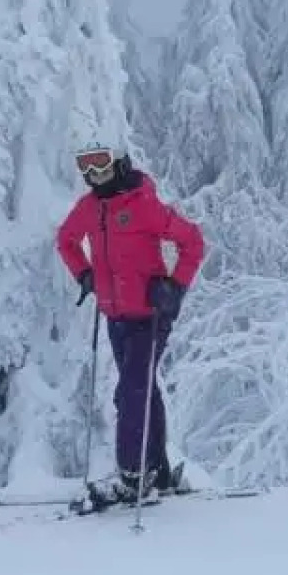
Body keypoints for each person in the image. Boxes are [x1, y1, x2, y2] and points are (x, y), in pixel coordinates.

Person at [55, 143, 204, 504]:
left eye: (100, 163)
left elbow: (193, 242)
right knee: (143, 389)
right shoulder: (89, 209)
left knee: (131, 392)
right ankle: (159, 471)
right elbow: (66, 240)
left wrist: (174, 286)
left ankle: (132, 475)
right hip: (115, 316)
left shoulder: (143, 206)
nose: (93, 174)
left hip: (151, 315)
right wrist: (85, 274)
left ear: (119, 162)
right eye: (85, 165)